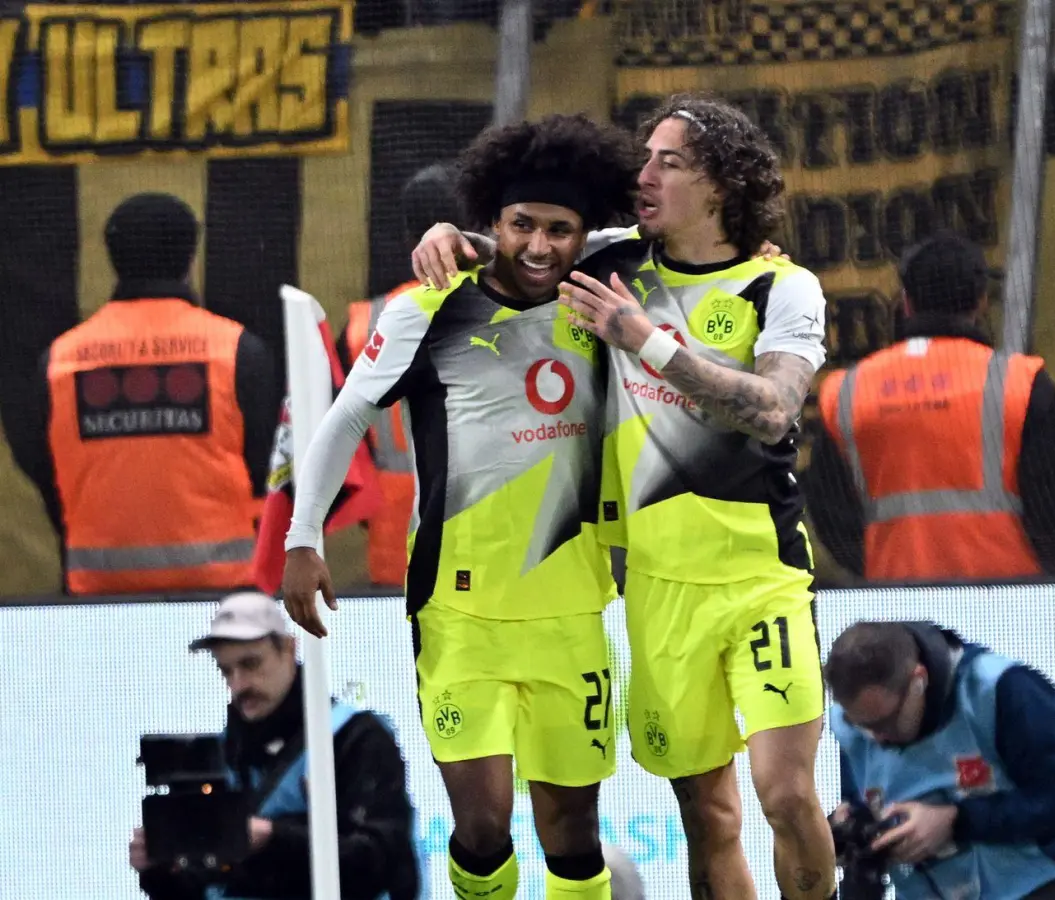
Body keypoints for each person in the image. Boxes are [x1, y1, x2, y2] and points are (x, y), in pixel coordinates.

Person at [409, 96, 831, 900]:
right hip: (656, 589)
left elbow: (772, 410)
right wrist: (446, 235)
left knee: (787, 794)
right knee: (711, 817)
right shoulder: (614, 264)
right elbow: (516, 243)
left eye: (667, 162)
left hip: (761, 577)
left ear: (722, 184)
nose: (644, 175)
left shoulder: (782, 286)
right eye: (645, 158)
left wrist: (649, 341)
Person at [281, 114, 641, 900]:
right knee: (482, 826)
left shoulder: (608, 296)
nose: (540, 246)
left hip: (571, 612)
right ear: (492, 223)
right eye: (521, 226)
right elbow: (344, 420)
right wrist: (302, 539)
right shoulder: (426, 310)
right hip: (458, 613)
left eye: (559, 229)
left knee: (573, 836)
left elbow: (673, 234)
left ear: (584, 235)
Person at [6, 192, 278, 595]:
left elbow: (40, 462)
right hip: (226, 596)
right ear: (189, 258)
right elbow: (269, 465)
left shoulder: (61, 360)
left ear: (112, 258)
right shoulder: (237, 351)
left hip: (96, 591)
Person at [808, 229, 1055, 581]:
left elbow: (829, 513)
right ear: (981, 301)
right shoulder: (1021, 384)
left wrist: (881, 566)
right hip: (1010, 606)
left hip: (898, 611)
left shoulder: (846, 392)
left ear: (906, 302)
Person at [130, 592, 418, 900]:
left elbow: (384, 863)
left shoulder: (356, 739)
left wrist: (273, 838)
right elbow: (205, 888)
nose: (238, 684)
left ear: (289, 648)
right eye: (226, 671)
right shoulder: (221, 756)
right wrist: (157, 871)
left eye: (251, 664)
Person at [824, 621, 1055, 900]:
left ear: (919, 680)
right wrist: (849, 829)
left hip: (1032, 882)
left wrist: (954, 821)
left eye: (885, 722)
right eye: (860, 725)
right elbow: (865, 804)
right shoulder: (851, 725)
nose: (875, 738)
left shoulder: (1000, 690)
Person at [338, 164, 468, 586]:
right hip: (496, 538)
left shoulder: (364, 325)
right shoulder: (518, 310)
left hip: (399, 543)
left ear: (408, 237)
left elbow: (341, 451)